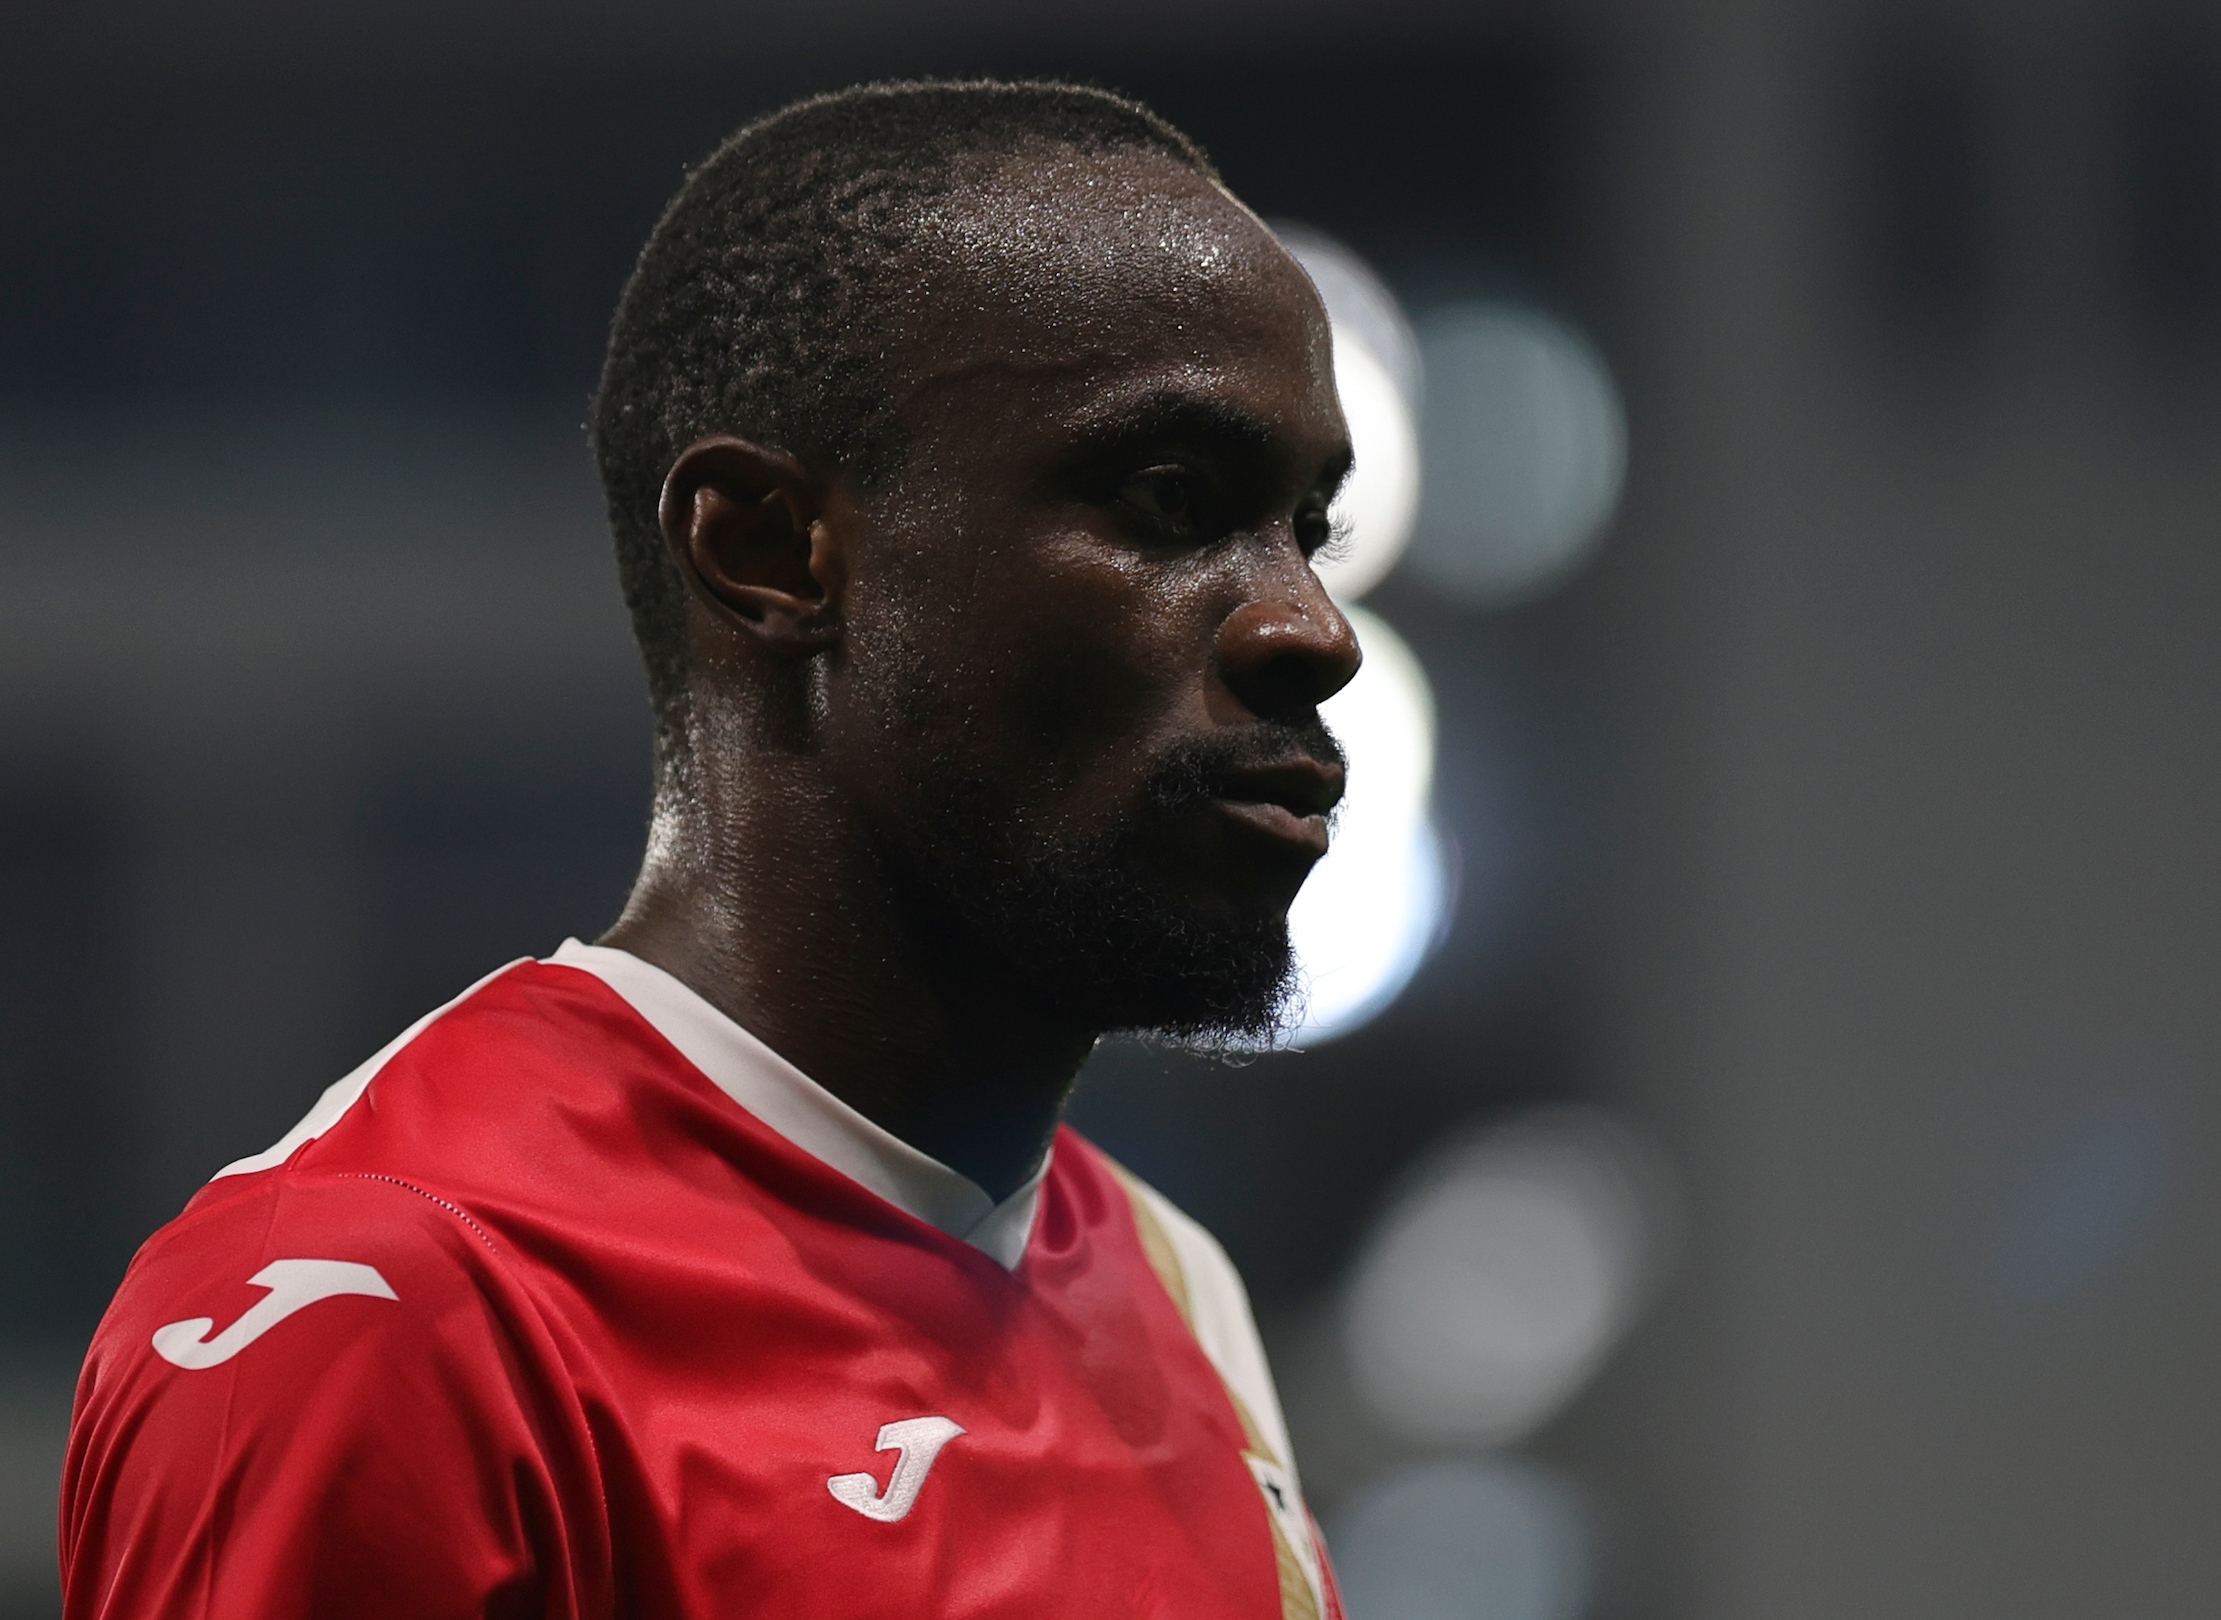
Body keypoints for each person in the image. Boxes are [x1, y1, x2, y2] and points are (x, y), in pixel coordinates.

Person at [60, 80, 1360, 1619]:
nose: (1311, 629)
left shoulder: (1176, 1290)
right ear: (765, 551)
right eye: (1171, 500)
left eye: (1307, 530)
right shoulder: (388, 1308)